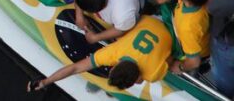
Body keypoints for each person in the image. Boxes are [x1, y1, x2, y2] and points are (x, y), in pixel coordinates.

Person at [27, 15, 173, 91]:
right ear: (116, 66)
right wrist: (46, 81)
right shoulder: (113, 52)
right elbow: (74, 68)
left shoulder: (152, 74)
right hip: (153, 20)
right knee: (119, 35)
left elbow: (171, 59)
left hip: (173, 33)